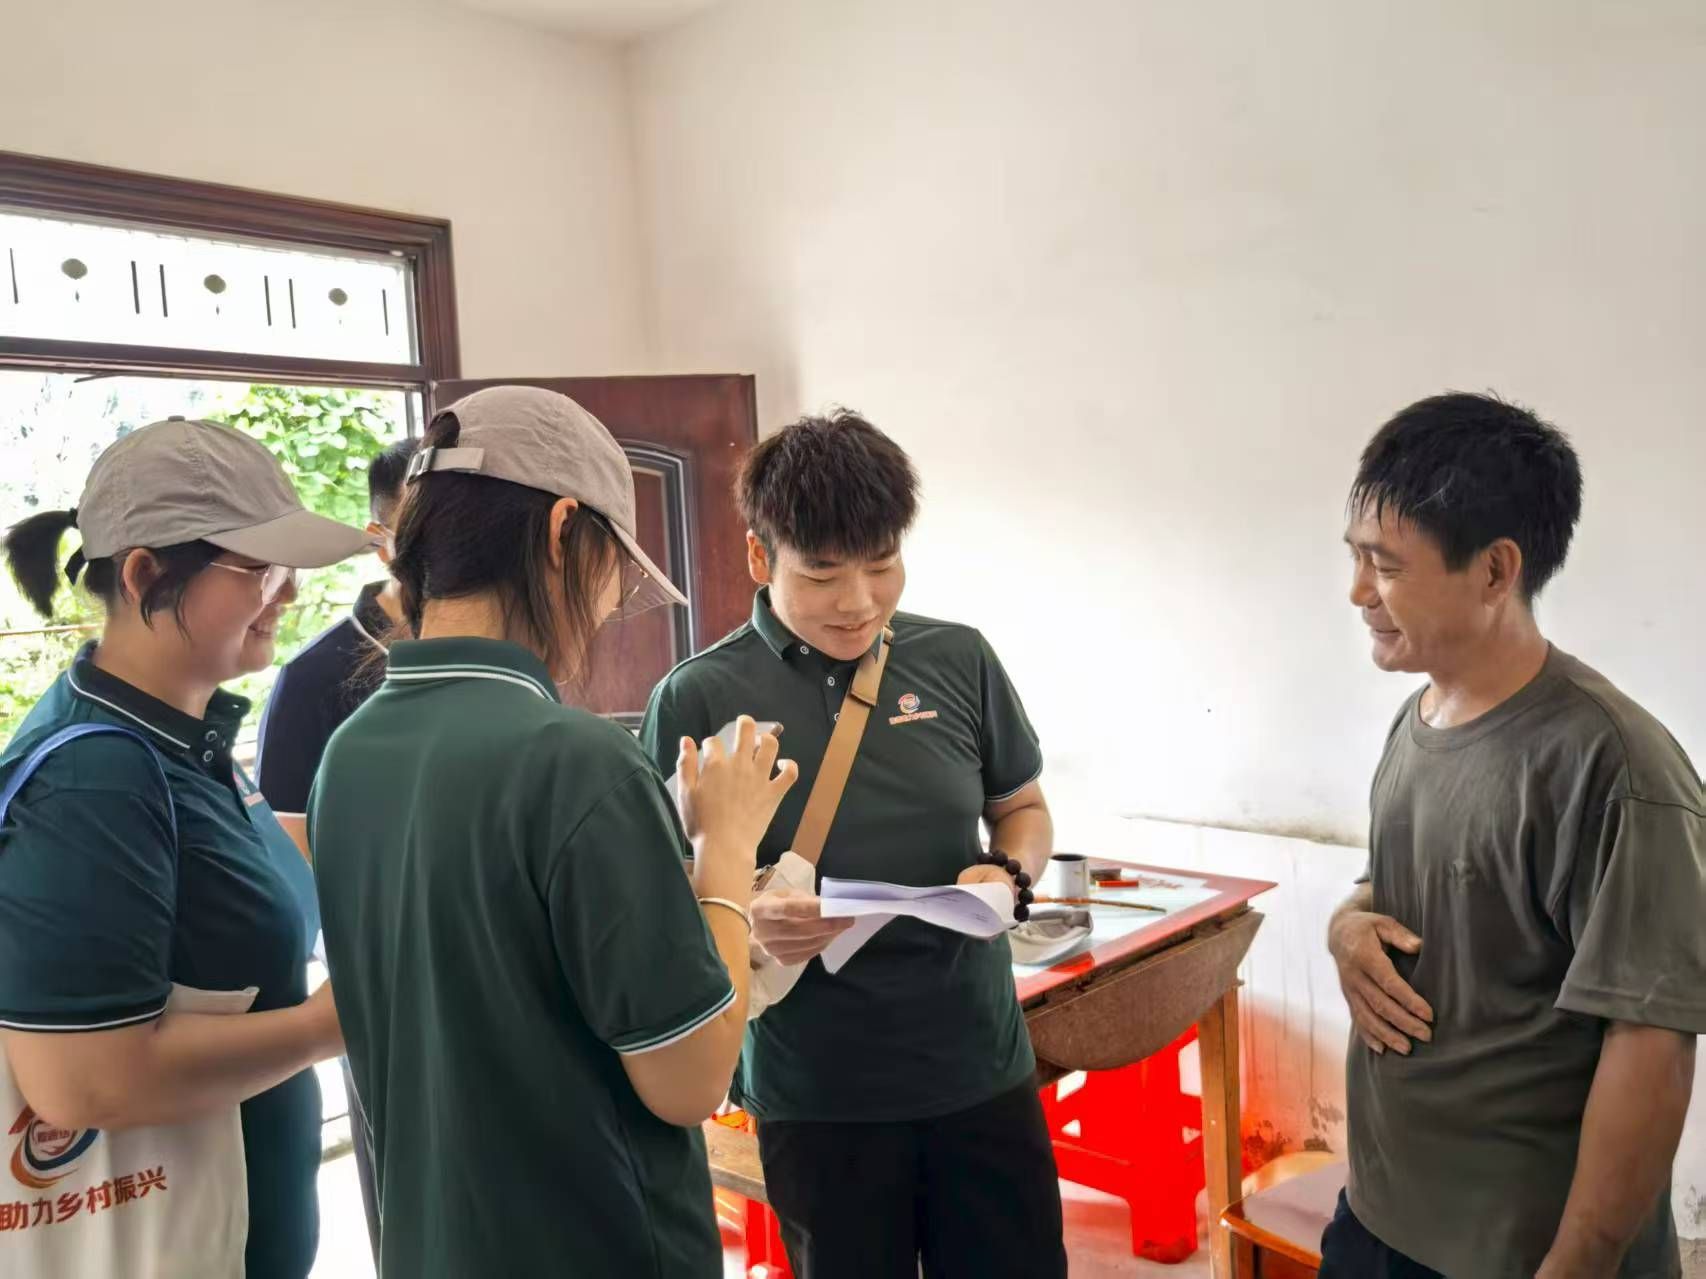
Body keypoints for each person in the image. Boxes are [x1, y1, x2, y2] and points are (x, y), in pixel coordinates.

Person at [309, 385, 795, 1278]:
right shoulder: (576, 759)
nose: (608, 607)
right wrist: (724, 847)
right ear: (565, 530)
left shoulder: (351, 751)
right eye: (615, 572)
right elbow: (690, 1079)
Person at [639, 409, 1067, 1279]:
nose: (859, 600)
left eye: (881, 564)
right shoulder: (697, 697)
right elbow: (658, 896)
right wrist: (746, 914)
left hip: (978, 1066)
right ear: (759, 557)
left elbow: (1022, 806)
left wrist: (1009, 871)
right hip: (819, 1093)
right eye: (823, 572)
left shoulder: (958, 658)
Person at [1325, 393, 1705, 1278]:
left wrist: (1579, 1260)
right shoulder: (1417, 718)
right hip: (1379, 1217)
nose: (1358, 592)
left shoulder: (1615, 766)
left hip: (1515, 1250)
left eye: (1385, 565)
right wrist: (1346, 925)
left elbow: (1649, 1043)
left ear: (1495, 570)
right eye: (1355, 557)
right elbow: (1408, 885)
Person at [0, 417, 368, 1278]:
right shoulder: (96, 775)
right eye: (260, 569)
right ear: (143, 575)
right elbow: (82, 1081)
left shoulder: (182, 741)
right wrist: (333, 1022)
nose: (288, 594)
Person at [254, 435, 416, 1262]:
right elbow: (295, 862)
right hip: (384, 991)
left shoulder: (506, 657)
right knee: (414, 1206)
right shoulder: (315, 679)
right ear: (381, 539)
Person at [254, 436, 417, 813]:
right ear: (381, 542)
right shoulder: (311, 678)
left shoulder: (492, 647)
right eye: (423, 533)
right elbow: (288, 834)